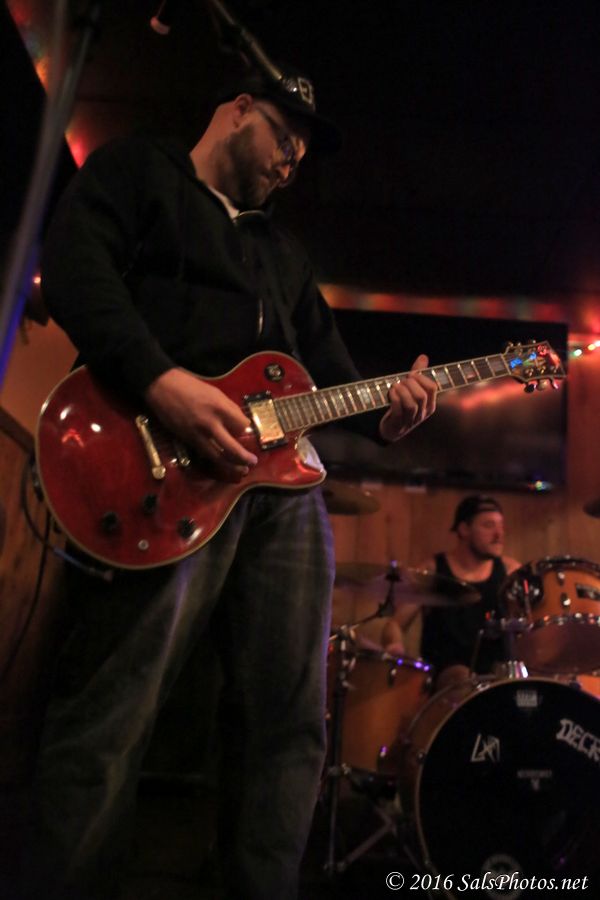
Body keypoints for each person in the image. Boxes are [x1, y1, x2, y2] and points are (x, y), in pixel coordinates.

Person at [24, 66, 438, 900]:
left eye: (302, 157)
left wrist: (388, 415)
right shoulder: (140, 172)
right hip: (157, 470)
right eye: (285, 139)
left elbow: (331, 377)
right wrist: (161, 382)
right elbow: (72, 266)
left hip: (280, 494)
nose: (291, 163)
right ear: (239, 109)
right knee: (114, 705)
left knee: (288, 726)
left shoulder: (283, 256)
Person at [382, 494, 520, 691]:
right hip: (445, 680)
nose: (499, 534)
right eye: (488, 525)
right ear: (464, 529)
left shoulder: (510, 571)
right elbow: (394, 624)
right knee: (459, 677)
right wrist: (394, 645)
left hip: (498, 677)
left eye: (501, 526)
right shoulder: (432, 571)